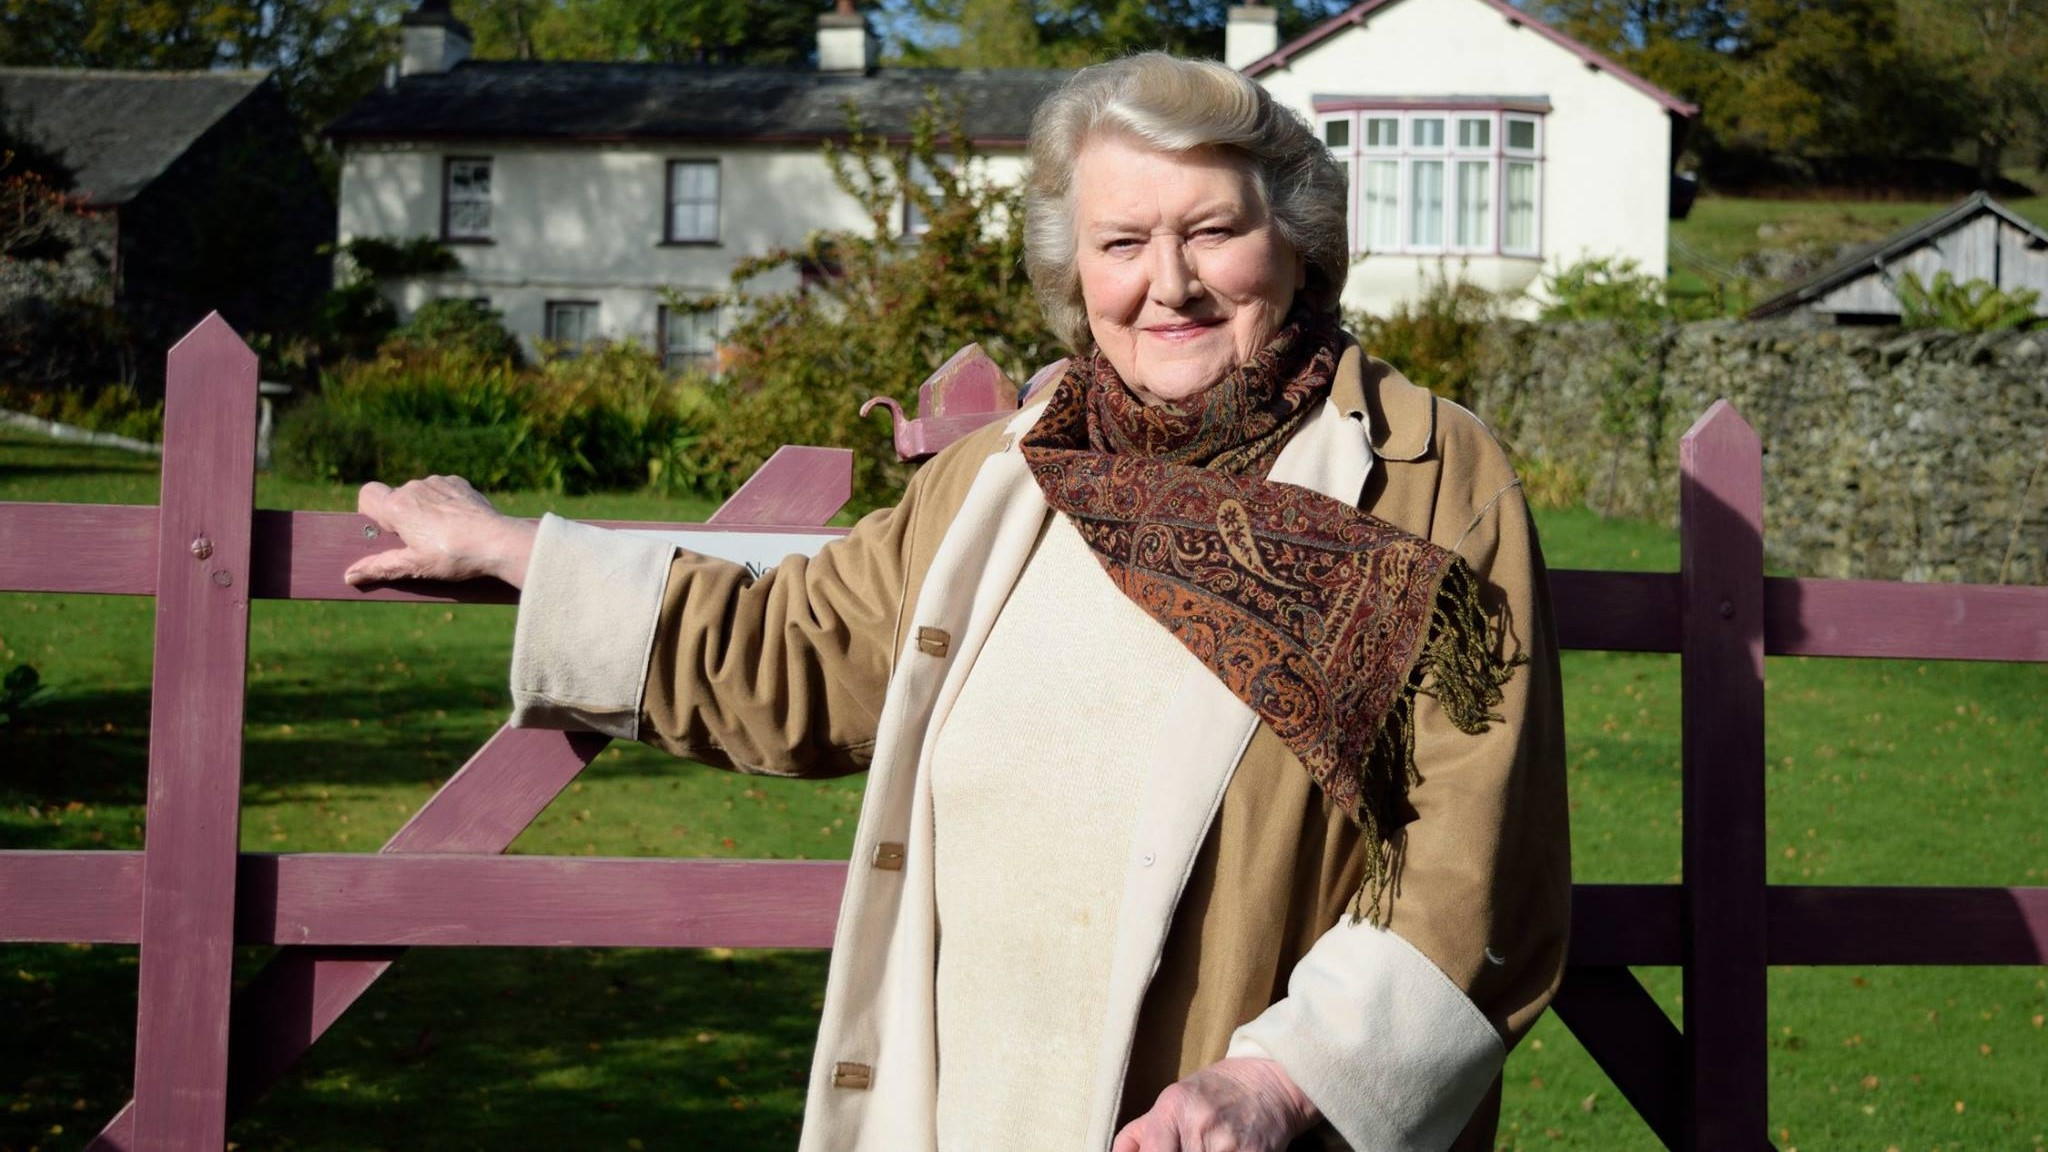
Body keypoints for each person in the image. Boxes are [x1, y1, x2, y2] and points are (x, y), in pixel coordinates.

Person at [346, 53, 1569, 1152]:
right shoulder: (1011, 471)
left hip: (1212, 1117)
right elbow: (804, 645)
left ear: (1293, 239)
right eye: (1121, 242)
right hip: (973, 1097)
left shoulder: (1418, 474)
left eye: (1211, 231)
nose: (1169, 283)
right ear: (1070, 267)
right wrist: (527, 554)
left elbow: (1476, 853)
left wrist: (1281, 1082)